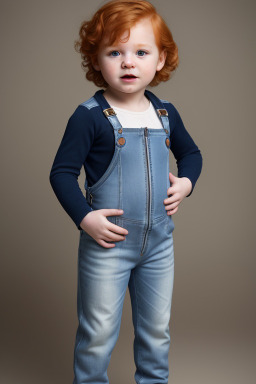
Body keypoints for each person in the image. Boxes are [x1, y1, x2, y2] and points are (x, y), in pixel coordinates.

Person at [49, 1, 203, 383]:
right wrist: (85, 219)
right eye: (114, 52)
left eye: (140, 52)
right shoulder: (88, 116)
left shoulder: (166, 112)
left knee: (156, 331)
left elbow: (192, 154)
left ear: (160, 58)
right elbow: (62, 174)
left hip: (159, 244)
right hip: (108, 246)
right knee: (97, 333)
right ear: (97, 60)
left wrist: (185, 184)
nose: (128, 62)